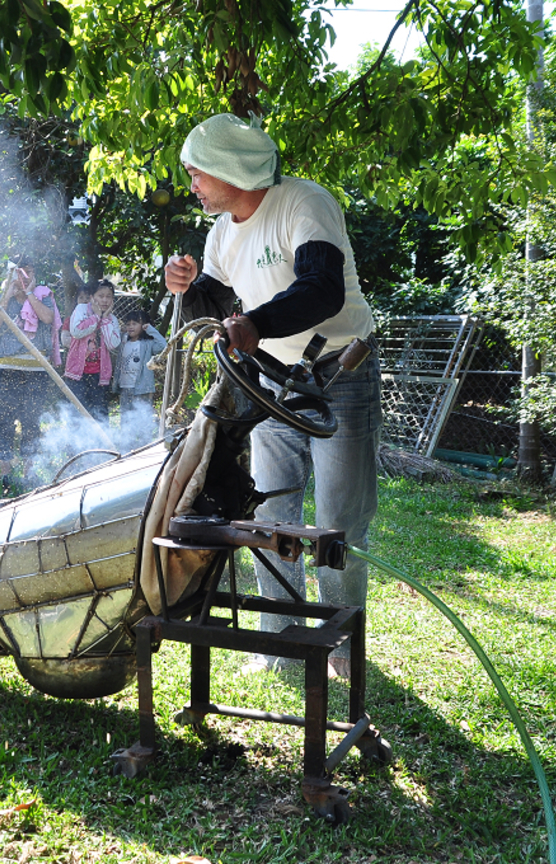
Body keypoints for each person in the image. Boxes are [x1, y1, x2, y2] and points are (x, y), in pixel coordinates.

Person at [164, 113, 381, 678]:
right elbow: (211, 306)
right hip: (270, 384)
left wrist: (255, 324)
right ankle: (280, 637)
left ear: (227, 169)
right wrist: (187, 288)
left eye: (196, 174)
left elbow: (322, 291)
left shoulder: (305, 204)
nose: (192, 186)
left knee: (339, 519)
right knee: (270, 511)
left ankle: (341, 643)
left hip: (339, 374)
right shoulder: (220, 233)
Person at [0, 256, 63, 484]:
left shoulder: (43, 295)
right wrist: (8, 294)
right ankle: (5, 473)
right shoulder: (4, 298)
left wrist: (29, 293)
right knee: (5, 419)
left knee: (31, 419)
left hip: (35, 369)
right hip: (5, 368)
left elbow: (48, 318)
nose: (24, 278)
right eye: (20, 273)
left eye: (29, 273)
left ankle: (29, 470)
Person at [63, 278, 121, 423]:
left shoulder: (112, 319)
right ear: (92, 298)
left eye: (108, 297)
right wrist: (96, 317)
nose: (105, 300)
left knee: (100, 413)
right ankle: (76, 445)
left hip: (99, 375)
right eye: (101, 296)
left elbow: (112, 344)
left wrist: (105, 318)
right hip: (77, 373)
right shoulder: (82, 309)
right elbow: (76, 331)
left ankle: (102, 445)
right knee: (77, 414)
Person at [116, 308, 167, 444]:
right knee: (126, 422)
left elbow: (164, 346)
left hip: (142, 389)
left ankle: (145, 447)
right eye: (128, 324)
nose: (130, 326)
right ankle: (126, 449)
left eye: (135, 323)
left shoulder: (148, 344)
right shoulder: (123, 342)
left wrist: (150, 329)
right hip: (125, 388)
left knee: (144, 422)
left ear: (143, 326)